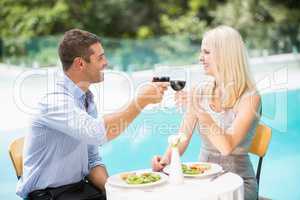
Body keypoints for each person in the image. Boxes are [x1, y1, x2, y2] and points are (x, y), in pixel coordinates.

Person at [17, 29, 169, 200]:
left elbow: (92, 160)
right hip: (47, 195)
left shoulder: (85, 99)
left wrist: (114, 191)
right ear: (80, 64)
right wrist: (141, 101)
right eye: (100, 58)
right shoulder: (55, 101)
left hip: (77, 190)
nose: (106, 62)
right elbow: (97, 133)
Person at [152, 25, 261, 200]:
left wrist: (200, 111)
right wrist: (165, 161)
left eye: (207, 52)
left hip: (237, 185)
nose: (200, 58)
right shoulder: (200, 91)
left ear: (226, 55)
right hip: (201, 180)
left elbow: (226, 147)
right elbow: (183, 136)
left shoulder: (250, 98)